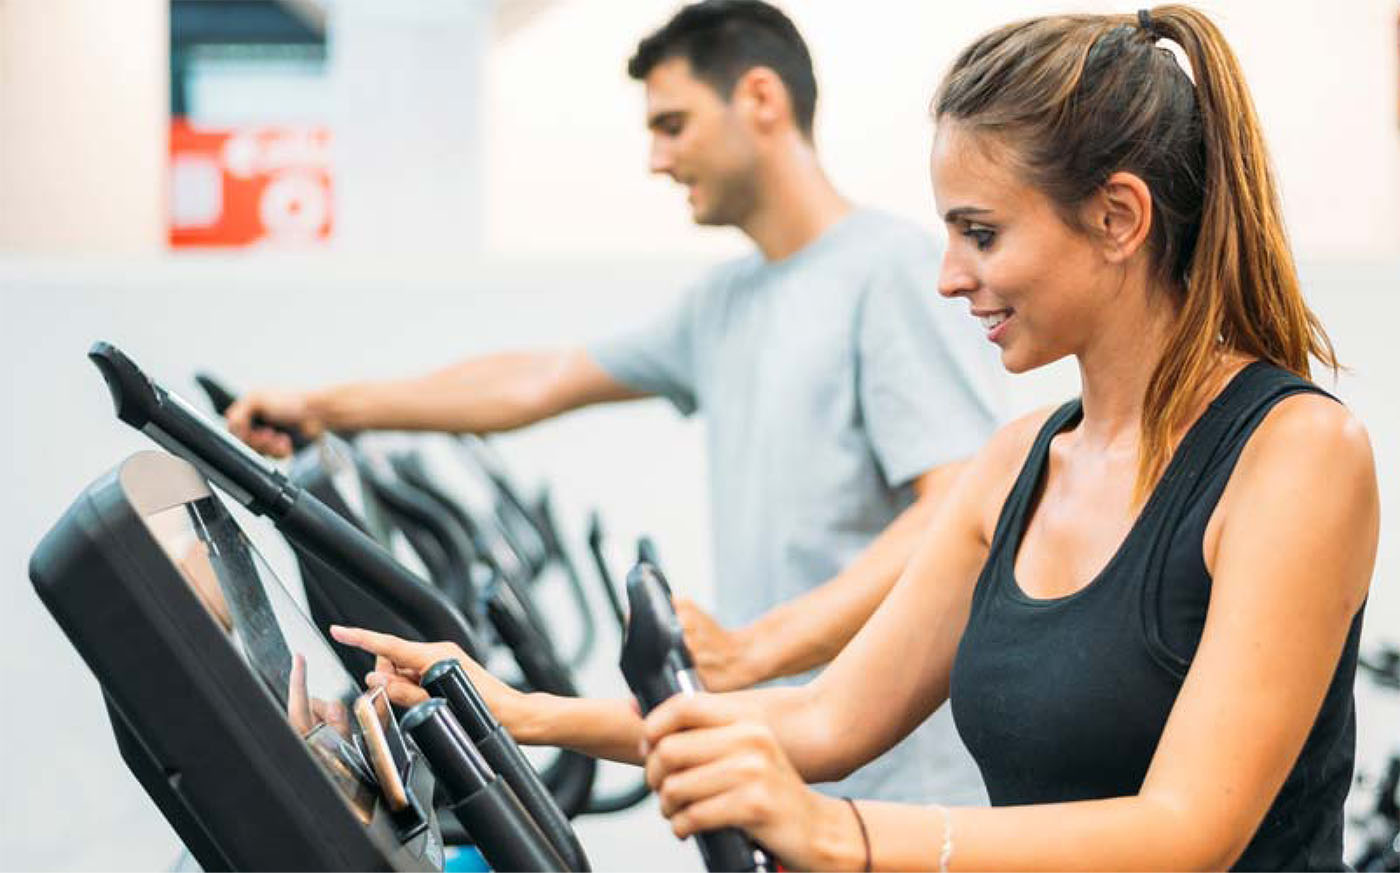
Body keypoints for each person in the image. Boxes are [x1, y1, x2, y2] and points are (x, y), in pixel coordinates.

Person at [334, 5, 1379, 870]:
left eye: (980, 233)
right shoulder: (1015, 464)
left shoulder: (1293, 458)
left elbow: (1184, 830)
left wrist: (844, 838)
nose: (947, 276)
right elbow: (828, 721)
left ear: (1116, 218)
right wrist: (523, 713)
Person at [229, 0, 1001, 805]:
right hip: (783, 760)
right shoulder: (726, 301)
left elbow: (953, 515)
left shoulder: (891, 271)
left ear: (762, 99)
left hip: (902, 782)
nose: (658, 159)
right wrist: (325, 405)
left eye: (674, 124)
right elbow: (541, 379)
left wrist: (751, 649)